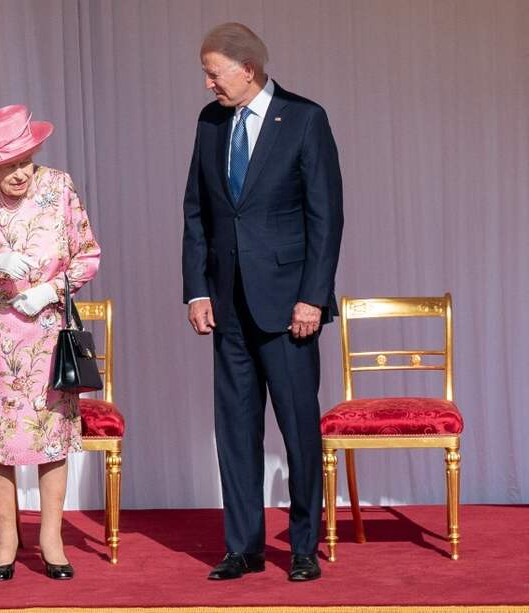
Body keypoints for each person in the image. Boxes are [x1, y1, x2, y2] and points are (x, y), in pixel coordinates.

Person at [181, 23, 343, 582]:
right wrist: (197, 289)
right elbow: (197, 211)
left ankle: (302, 547)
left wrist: (312, 299)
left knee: (299, 431)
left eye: (214, 72)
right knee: (235, 430)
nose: (207, 84)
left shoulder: (304, 118)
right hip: (227, 306)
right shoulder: (210, 123)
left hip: (290, 309)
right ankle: (243, 547)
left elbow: (326, 218)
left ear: (246, 68)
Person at [0, 104, 101, 581]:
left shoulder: (59, 186)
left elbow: (87, 256)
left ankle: (51, 537)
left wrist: (50, 290)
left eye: (26, 160)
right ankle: (6, 540)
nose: (20, 172)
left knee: (51, 437)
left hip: (48, 334)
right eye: (9, 164)